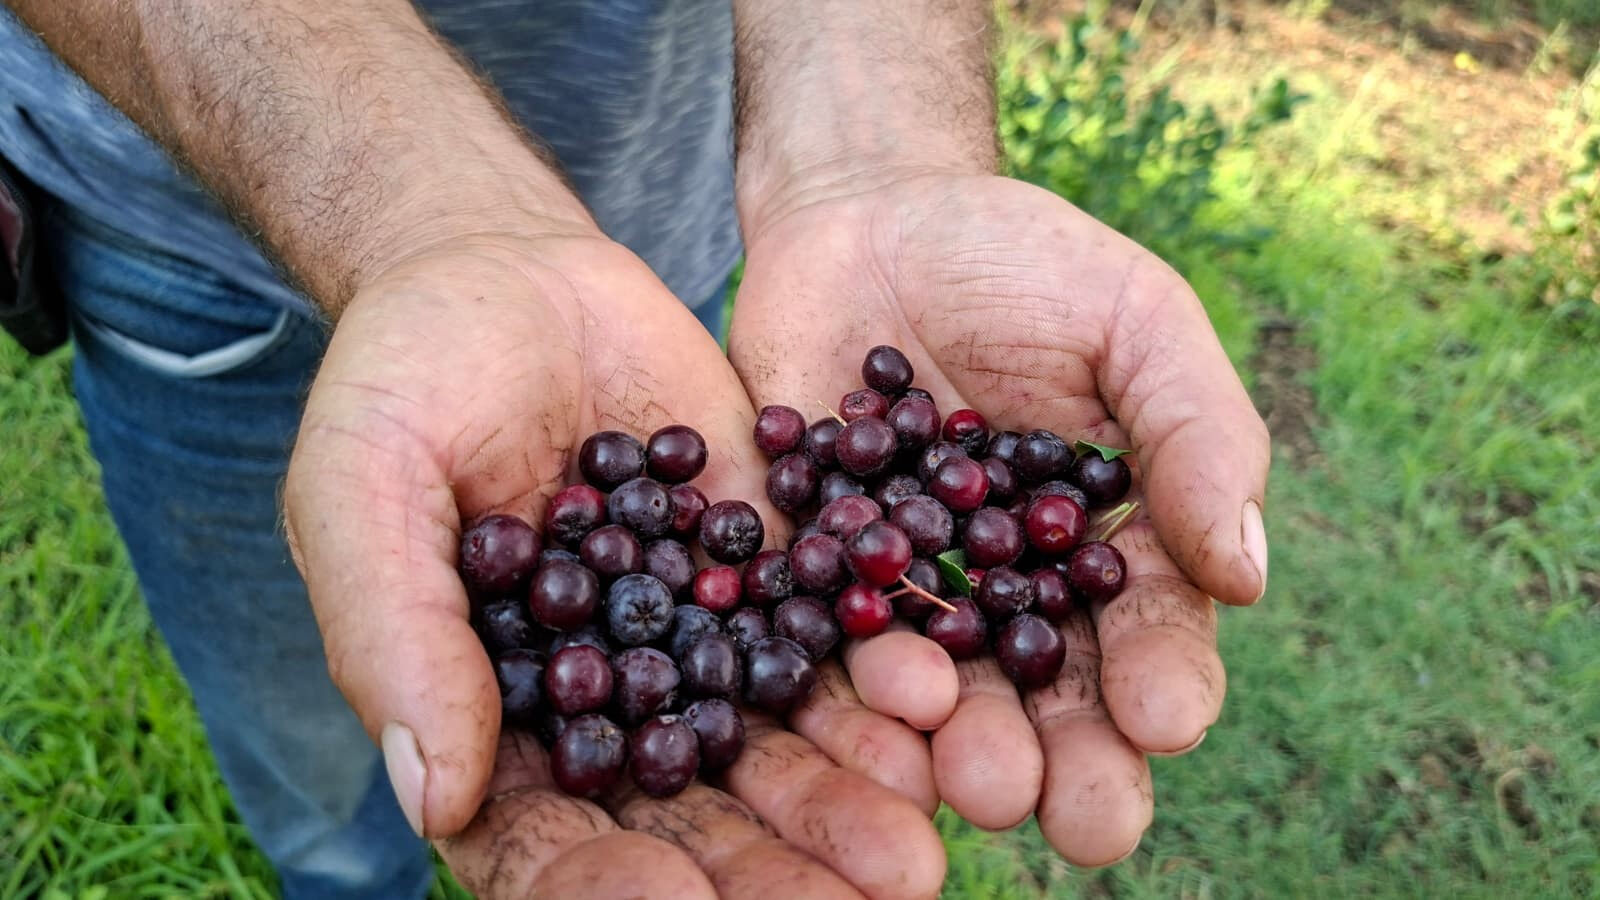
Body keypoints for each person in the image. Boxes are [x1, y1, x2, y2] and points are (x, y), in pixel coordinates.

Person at [0, 1, 1270, 897]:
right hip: (175, 241)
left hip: (665, 213)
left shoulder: (769, 530)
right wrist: (421, 215)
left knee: (441, 704)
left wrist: (879, 154)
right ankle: (339, 880)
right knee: (308, 726)